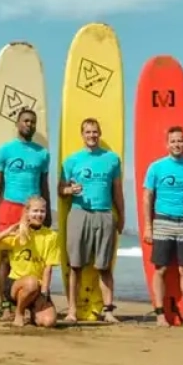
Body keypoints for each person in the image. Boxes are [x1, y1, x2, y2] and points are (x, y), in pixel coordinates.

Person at [0, 107, 50, 320]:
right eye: (25, 121)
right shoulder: (4, 151)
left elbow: (44, 184)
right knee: (5, 256)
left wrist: (47, 212)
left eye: (32, 122)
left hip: (33, 210)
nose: (29, 125)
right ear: (17, 123)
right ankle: (5, 304)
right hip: (9, 207)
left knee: (31, 257)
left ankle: (27, 302)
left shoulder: (43, 154)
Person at [142, 125, 183, 327]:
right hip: (163, 220)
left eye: (180, 140)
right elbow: (147, 196)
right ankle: (160, 315)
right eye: (173, 141)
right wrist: (148, 226)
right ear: (167, 144)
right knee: (161, 269)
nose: (177, 144)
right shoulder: (156, 167)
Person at [58, 117, 124, 323]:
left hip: (104, 214)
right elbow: (60, 190)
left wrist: (121, 216)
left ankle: (108, 311)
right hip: (79, 213)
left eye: (95, 132)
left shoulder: (112, 159)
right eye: (88, 132)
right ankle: (71, 311)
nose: (92, 136)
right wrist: (70, 190)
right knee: (75, 265)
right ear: (82, 135)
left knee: (104, 266)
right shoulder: (71, 160)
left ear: (100, 134)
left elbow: (117, 192)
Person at [0, 195, 59, 328]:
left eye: (42, 211)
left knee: (48, 322)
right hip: (16, 285)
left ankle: (33, 311)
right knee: (31, 282)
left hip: (39, 287)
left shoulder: (51, 236)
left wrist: (44, 294)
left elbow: (48, 268)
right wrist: (9, 230)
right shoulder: (19, 234)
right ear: (27, 213)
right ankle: (19, 313)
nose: (39, 214)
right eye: (35, 211)